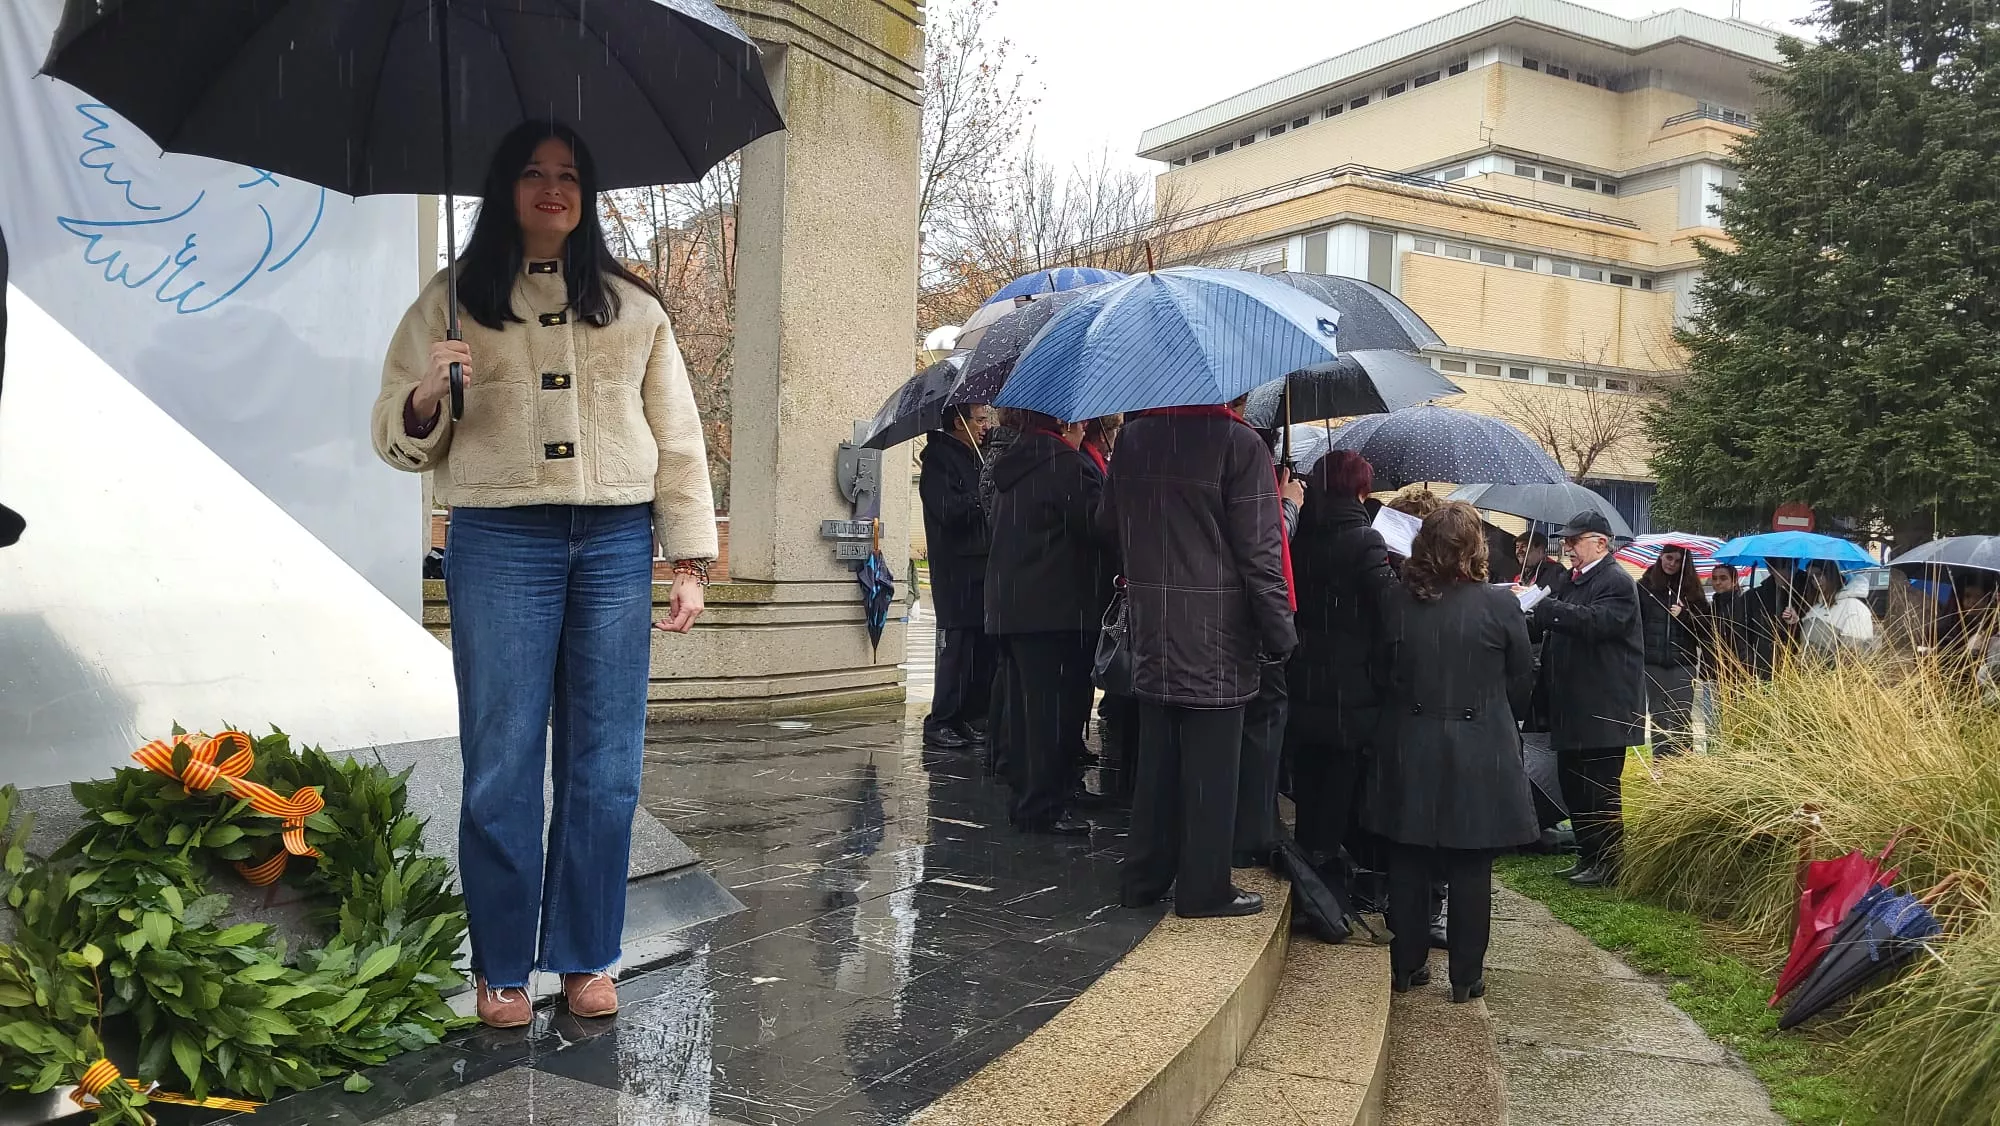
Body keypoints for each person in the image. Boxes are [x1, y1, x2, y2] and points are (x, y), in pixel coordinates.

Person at [369, 122, 715, 1028]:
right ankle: (501, 966)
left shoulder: (634, 307)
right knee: (501, 760)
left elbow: (678, 438)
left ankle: (588, 954)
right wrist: (427, 394)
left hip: (613, 540)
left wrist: (688, 560)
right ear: (505, 189)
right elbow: (398, 431)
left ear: (586, 193)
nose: (552, 188)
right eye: (532, 173)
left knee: (606, 760)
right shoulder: (452, 302)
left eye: (568, 174)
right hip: (499, 537)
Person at [1102, 399, 1296, 919]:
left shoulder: (1135, 438)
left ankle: (1142, 878)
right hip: (1217, 635)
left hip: (1153, 624)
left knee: (1157, 764)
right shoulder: (1240, 445)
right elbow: (1261, 554)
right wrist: (1281, 633)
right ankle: (1204, 888)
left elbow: (1107, 522)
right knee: (1213, 771)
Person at [1365, 502, 1537, 1002]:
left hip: (1411, 741)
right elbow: (1521, 680)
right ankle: (1465, 976)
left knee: (1409, 856)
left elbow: (1381, 672)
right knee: (1471, 865)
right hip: (1479, 745)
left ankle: (1406, 964)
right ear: (1475, 548)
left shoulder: (1396, 601)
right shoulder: (1500, 606)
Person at [986, 410, 1103, 835]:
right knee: (1054, 714)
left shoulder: (1017, 463)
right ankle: (1044, 807)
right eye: (1081, 421)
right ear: (1063, 421)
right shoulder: (1063, 464)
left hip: (1014, 608)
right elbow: (1099, 525)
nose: (1086, 427)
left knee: (1026, 714)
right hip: (1055, 610)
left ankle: (1030, 798)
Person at [1285, 452, 1395, 900]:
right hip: (1349, 689)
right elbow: (1386, 607)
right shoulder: (1365, 540)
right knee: (1339, 785)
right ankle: (1327, 882)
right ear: (1361, 491)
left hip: (1303, 678)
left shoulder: (1298, 534)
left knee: (1309, 781)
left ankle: (1309, 867)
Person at [1527, 510, 1644, 888]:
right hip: (1573, 706)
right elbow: (1555, 621)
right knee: (1574, 786)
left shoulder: (1617, 581)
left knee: (1600, 790)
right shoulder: (1573, 580)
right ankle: (1588, 855)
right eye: (1566, 541)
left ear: (1601, 542)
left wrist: (1546, 608)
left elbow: (1596, 622)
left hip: (1603, 709)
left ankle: (1609, 862)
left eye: (1574, 541)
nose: (1567, 547)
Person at [1234, 464, 1307, 868]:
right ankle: (1253, 832)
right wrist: (1289, 504)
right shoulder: (1247, 471)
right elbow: (1268, 547)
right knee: (1262, 732)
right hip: (1260, 628)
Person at [920, 404, 996, 750]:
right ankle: (942, 719)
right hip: (957, 571)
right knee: (958, 648)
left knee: (980, 648)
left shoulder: (976, 457)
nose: (985, 426)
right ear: (958, 422)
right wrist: (980, 497)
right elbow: (948, 511)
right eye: (979, 420)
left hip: (981, 566)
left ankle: (970, 715)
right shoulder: (938, 461)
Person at [1636, 545, 1707, 757]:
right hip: (1652, 662)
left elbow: (1705, 628)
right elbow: (1635, 622)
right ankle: (1660, 761)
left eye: (1677, 561)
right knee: (1658, 714)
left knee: (1681, 714)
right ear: (1661, 556)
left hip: (1682, 662)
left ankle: (1682, 763)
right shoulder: (1644, 587)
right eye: (1669, 558)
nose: (1672, 564)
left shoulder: (1692, 591)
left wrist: (1684, 615)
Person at [1800, 560, 1876, 660]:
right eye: (1811, 577)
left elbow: (1854, 653)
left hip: (1833, 669)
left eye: (1819, 574)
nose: (1815, 580)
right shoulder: (1817, 607)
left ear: (1831, 574)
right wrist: (1795, 621)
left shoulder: (1854, 608)